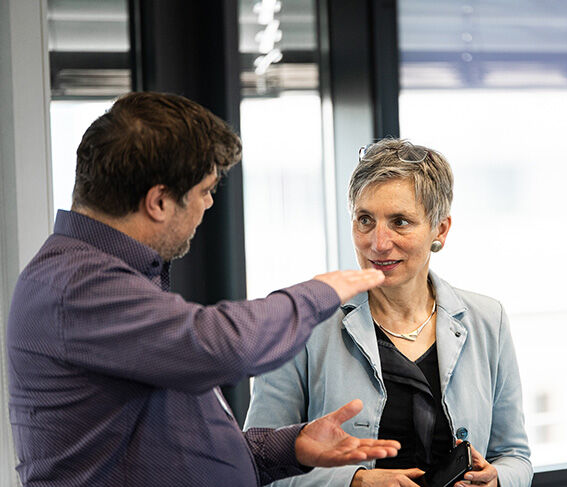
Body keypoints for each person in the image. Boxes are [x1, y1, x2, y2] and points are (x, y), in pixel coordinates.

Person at [6, 92, 400, 487]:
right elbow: (223, 344)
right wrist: (320, 293)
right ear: (159, 201)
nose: (208, 204)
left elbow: (172, 446)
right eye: (204, 191)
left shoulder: (108, 276)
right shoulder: (76, 285)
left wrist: (291, 447)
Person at [245, 138, 533, 487]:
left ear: (440, 230)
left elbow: (515, 456)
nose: (378, 243)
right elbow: (259, 466)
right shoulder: (300, 324)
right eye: (365, 220)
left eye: (400, 222)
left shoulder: (488, 320)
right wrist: (355, 482)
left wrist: (497, 479)